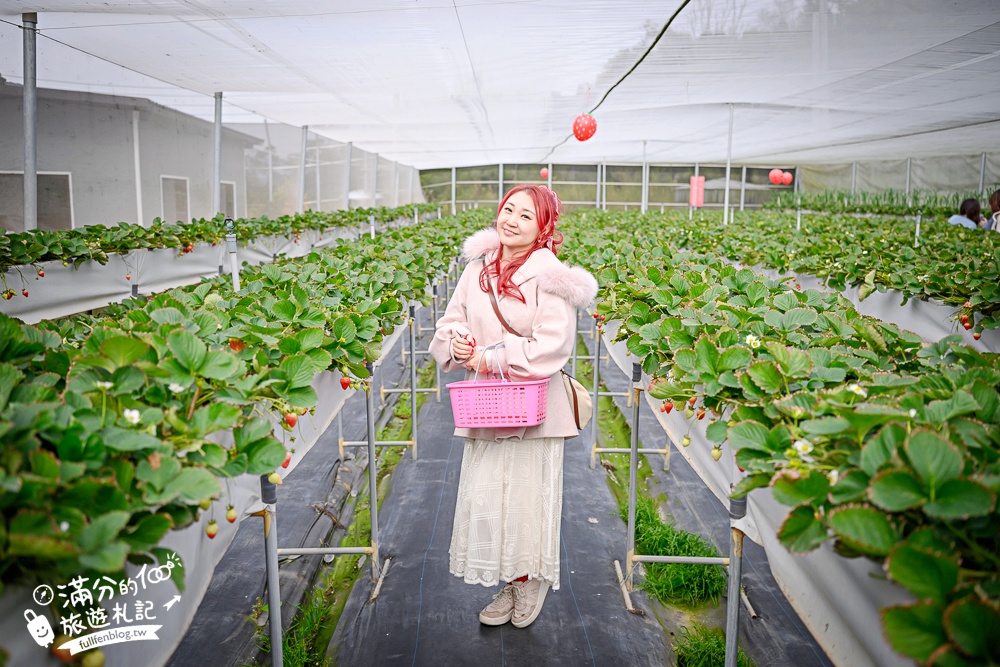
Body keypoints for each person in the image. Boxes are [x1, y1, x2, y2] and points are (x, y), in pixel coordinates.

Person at [429, 184, 597, 629]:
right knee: (488, 495)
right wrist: (457, 341)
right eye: (509, 209)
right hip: (487, 404)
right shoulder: (478, 268)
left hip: (534, 407)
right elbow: (452, 320)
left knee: (525, 498)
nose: (512, 220)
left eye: (526, 216)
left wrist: (488, 357)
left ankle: (528, 581)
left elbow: (552, 346)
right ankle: (510, 578)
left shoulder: (551, 278)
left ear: (543, 228)